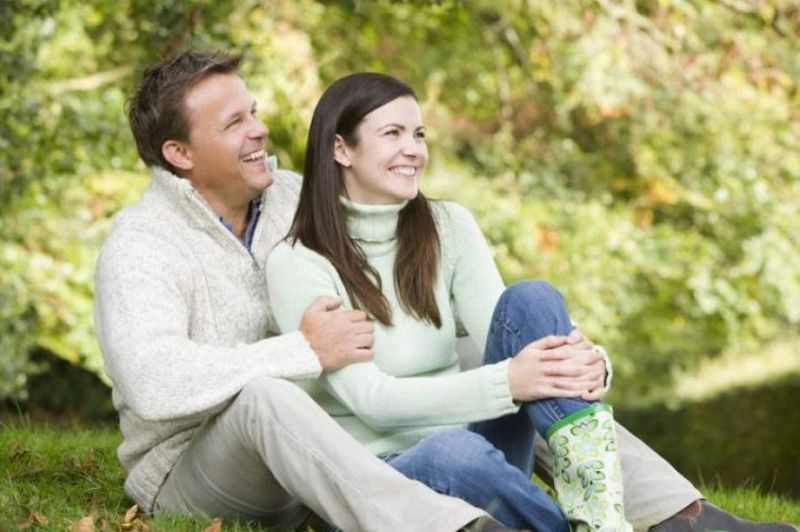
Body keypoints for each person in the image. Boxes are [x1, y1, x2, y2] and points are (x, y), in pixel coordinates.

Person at [266, 72, 799, 532]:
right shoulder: (299, 262)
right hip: (385, 474)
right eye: (393, 134)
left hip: (483, 450)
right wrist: (507, 383)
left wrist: (593, 363)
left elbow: (516, 330)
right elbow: (372, 401)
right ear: (341, 148)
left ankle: (600, 517)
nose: (414, 148)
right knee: (454, 452)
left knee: (531, 297)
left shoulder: (447, 226)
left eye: (419, 133)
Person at [94, 50, 511, 532]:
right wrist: (303, 351)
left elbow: (399, 279)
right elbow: (153, 382)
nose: (258, 130)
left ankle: (614, 492)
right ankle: (451, 527)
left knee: (485, 353)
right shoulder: (141, 245)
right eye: (234, 123)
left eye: (253, 111)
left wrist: (529, 343)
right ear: (180, 153)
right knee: (263, 397)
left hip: (326, 443)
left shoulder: (294, 197)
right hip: (198, 468)